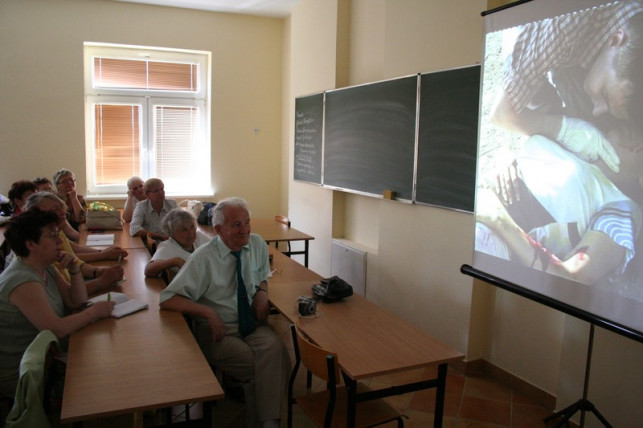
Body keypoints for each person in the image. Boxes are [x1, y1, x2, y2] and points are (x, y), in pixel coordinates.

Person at [159, 197, 289, 428]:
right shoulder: (203, 257)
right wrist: (208, 313)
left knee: (277, 351)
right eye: (237, 225)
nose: (245, 230)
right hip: (218, 330)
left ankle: (263, 421)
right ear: (219, 229)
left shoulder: (257, 243)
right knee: (267, 367)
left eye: (247, 222)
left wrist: (261, 292)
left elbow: (261, 274)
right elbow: (168, 298)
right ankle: (269, 423)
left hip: (249, 324)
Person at [491, 1, 643, 173]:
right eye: (605, 95)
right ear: (615, 40)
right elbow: (501, 114)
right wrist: (562, 129)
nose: (597, 110)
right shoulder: (564, 25)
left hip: (580, 49)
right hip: (530, 24)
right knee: (535, 104)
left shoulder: (622, 61)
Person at [476, 133, 641, 286]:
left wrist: (501, 222)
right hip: (475, 202)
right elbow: (504, 115)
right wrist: (505, 156)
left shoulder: (620, 206)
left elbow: (568, 283)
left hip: (489, 241)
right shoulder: (582, 139)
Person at [0, 209, 114, 398]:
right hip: (21, 369)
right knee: (103, 370)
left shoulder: (44, 267)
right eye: (53, 237)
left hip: (46, 356)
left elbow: (75, 300)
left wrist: (74, 269)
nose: (60, 241)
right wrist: (94, 312)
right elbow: (57, 329)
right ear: (30, 244)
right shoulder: (22, 280)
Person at [22, 192, 125, 293]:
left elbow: (77, 260)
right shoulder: (40, 246)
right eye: (55, 209)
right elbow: (67, 295)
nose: (63, 212)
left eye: (61, 207)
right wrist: (101, 279)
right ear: (37, 214)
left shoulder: (57, 231)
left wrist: (98, 271)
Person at [144, 209, 210, 278]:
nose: (191, 233)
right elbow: (148, 270)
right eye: (184, 230)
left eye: (192, 227)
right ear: (171, 233)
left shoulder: (199, 236)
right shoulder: (167, 247)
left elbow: (217, 247)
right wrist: (175, 261)